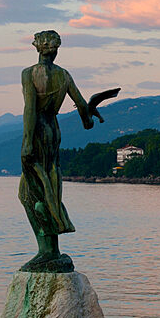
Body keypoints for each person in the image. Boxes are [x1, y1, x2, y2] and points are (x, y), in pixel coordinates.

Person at [18, 30, 111, 272]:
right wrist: (91, 112)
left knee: (30, 194)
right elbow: (84, 111)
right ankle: (53, 250)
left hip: (37, 131)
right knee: (50, 186)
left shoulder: (29, 74)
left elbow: (30, 109)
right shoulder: (64, 75)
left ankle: (46, 251)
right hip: (53, 131)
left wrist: (27, 142)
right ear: (55, 49)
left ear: (37, 47)